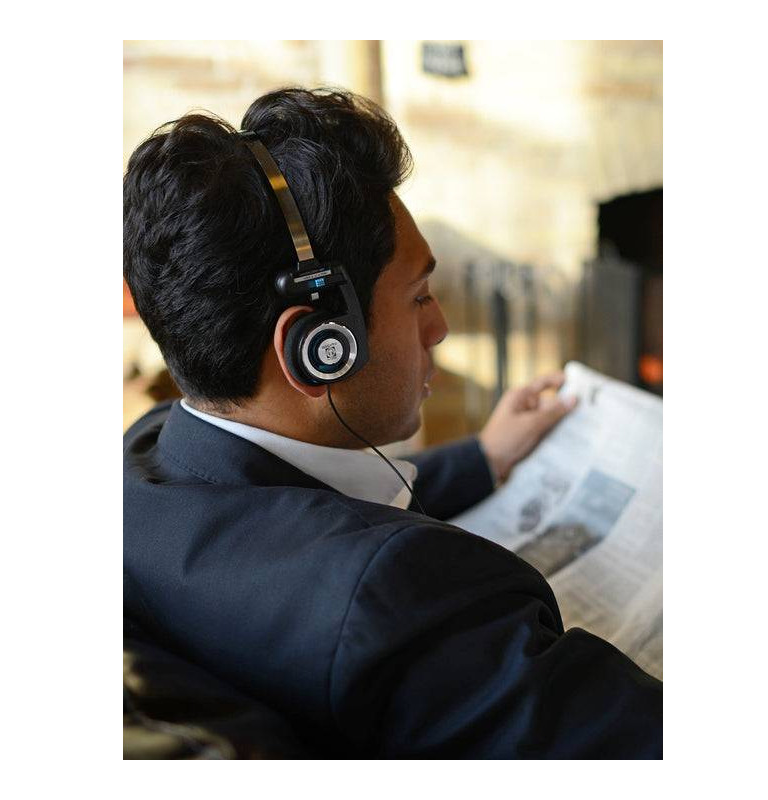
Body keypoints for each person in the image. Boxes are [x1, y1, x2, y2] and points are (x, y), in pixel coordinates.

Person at [123, 88, 662, 758]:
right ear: (320, 347)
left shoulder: (145, 456)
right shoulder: (406, 599)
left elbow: (308, 508)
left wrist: (484, 457)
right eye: (419, 296)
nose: (440, 327)